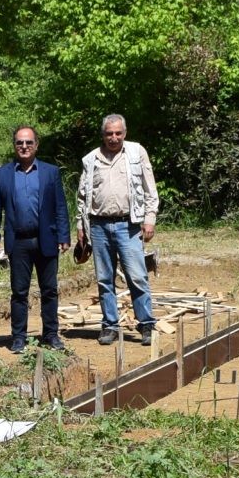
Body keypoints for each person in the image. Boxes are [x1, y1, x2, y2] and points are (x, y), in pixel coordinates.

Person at [76, 114, 160, 345]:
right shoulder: (91, 159)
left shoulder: (136, 153)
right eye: (109, 133)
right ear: (102, 135)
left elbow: (149, 189)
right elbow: (82, 197)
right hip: (99, 226)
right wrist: (81, 227)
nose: (114, 138)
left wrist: (149, 219)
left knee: (137, 276)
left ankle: (146, 325)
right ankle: (110, 326)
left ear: (125, 133)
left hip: (129, 225)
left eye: (118, 133)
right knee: (105, 279)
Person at [0, 126, 71, 354]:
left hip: (46, 239)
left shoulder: (50, 172)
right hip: (19, 242)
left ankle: (51, 334)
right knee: (19, 292)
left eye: (28, 143)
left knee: (49, 290)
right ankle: (19, 337)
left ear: (36, 145)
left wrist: (64, 235)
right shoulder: (3, 174)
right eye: (19, 143)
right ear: (14, 145)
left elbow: (60, 206)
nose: (24, 147)